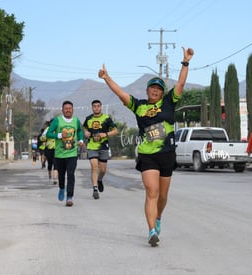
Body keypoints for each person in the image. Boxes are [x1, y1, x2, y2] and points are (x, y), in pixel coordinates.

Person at [98, 46, 194, 247]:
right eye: (152, 87)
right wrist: (107, 78)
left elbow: (181, 83)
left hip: (167, 153)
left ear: (162, 92)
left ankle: (158, 217)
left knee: (163, 196)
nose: (155, 90)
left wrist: (186, 61)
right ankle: (151, 230)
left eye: (159, 88)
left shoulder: (169, 101)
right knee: (152, 191)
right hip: (147, 154)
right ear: (147, 90)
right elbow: (121, 94)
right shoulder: (138, 105)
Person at [46, 100, 84, 207]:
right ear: (62, 110)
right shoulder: (57, 121)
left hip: (72, 153)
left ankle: (69, 197)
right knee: (61, 175)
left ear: (73, 110)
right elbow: (49, 134)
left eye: (70, 108)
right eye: (66, 108)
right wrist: (58, 136)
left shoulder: (76, 120)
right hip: (59, 154)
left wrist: (80, 140)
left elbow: (79, 131)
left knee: (71, 174)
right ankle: (62, 188)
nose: (68, 110)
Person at [83, 99, 118, 200]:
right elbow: (84, 128)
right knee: (94, 167)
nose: (96, 108)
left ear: (101, 107)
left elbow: (115, 131)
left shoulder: (107, 118)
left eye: (98, 106)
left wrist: (106, 134)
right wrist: (86, 132)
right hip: (91, 146)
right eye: (94, 106)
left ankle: (99, 180)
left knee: (102, 169)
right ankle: (95, 189)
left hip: (103, 146)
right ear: (92, 107)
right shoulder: (88, 118)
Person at [41, 119, 58, 185]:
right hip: (48, 148)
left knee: (56, 164)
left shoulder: (58, 128)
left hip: (57, 148)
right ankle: (50, 175)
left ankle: (55, 179)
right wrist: (47, 136)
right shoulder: (47, 129)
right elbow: (42, 138)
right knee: (50, 163)